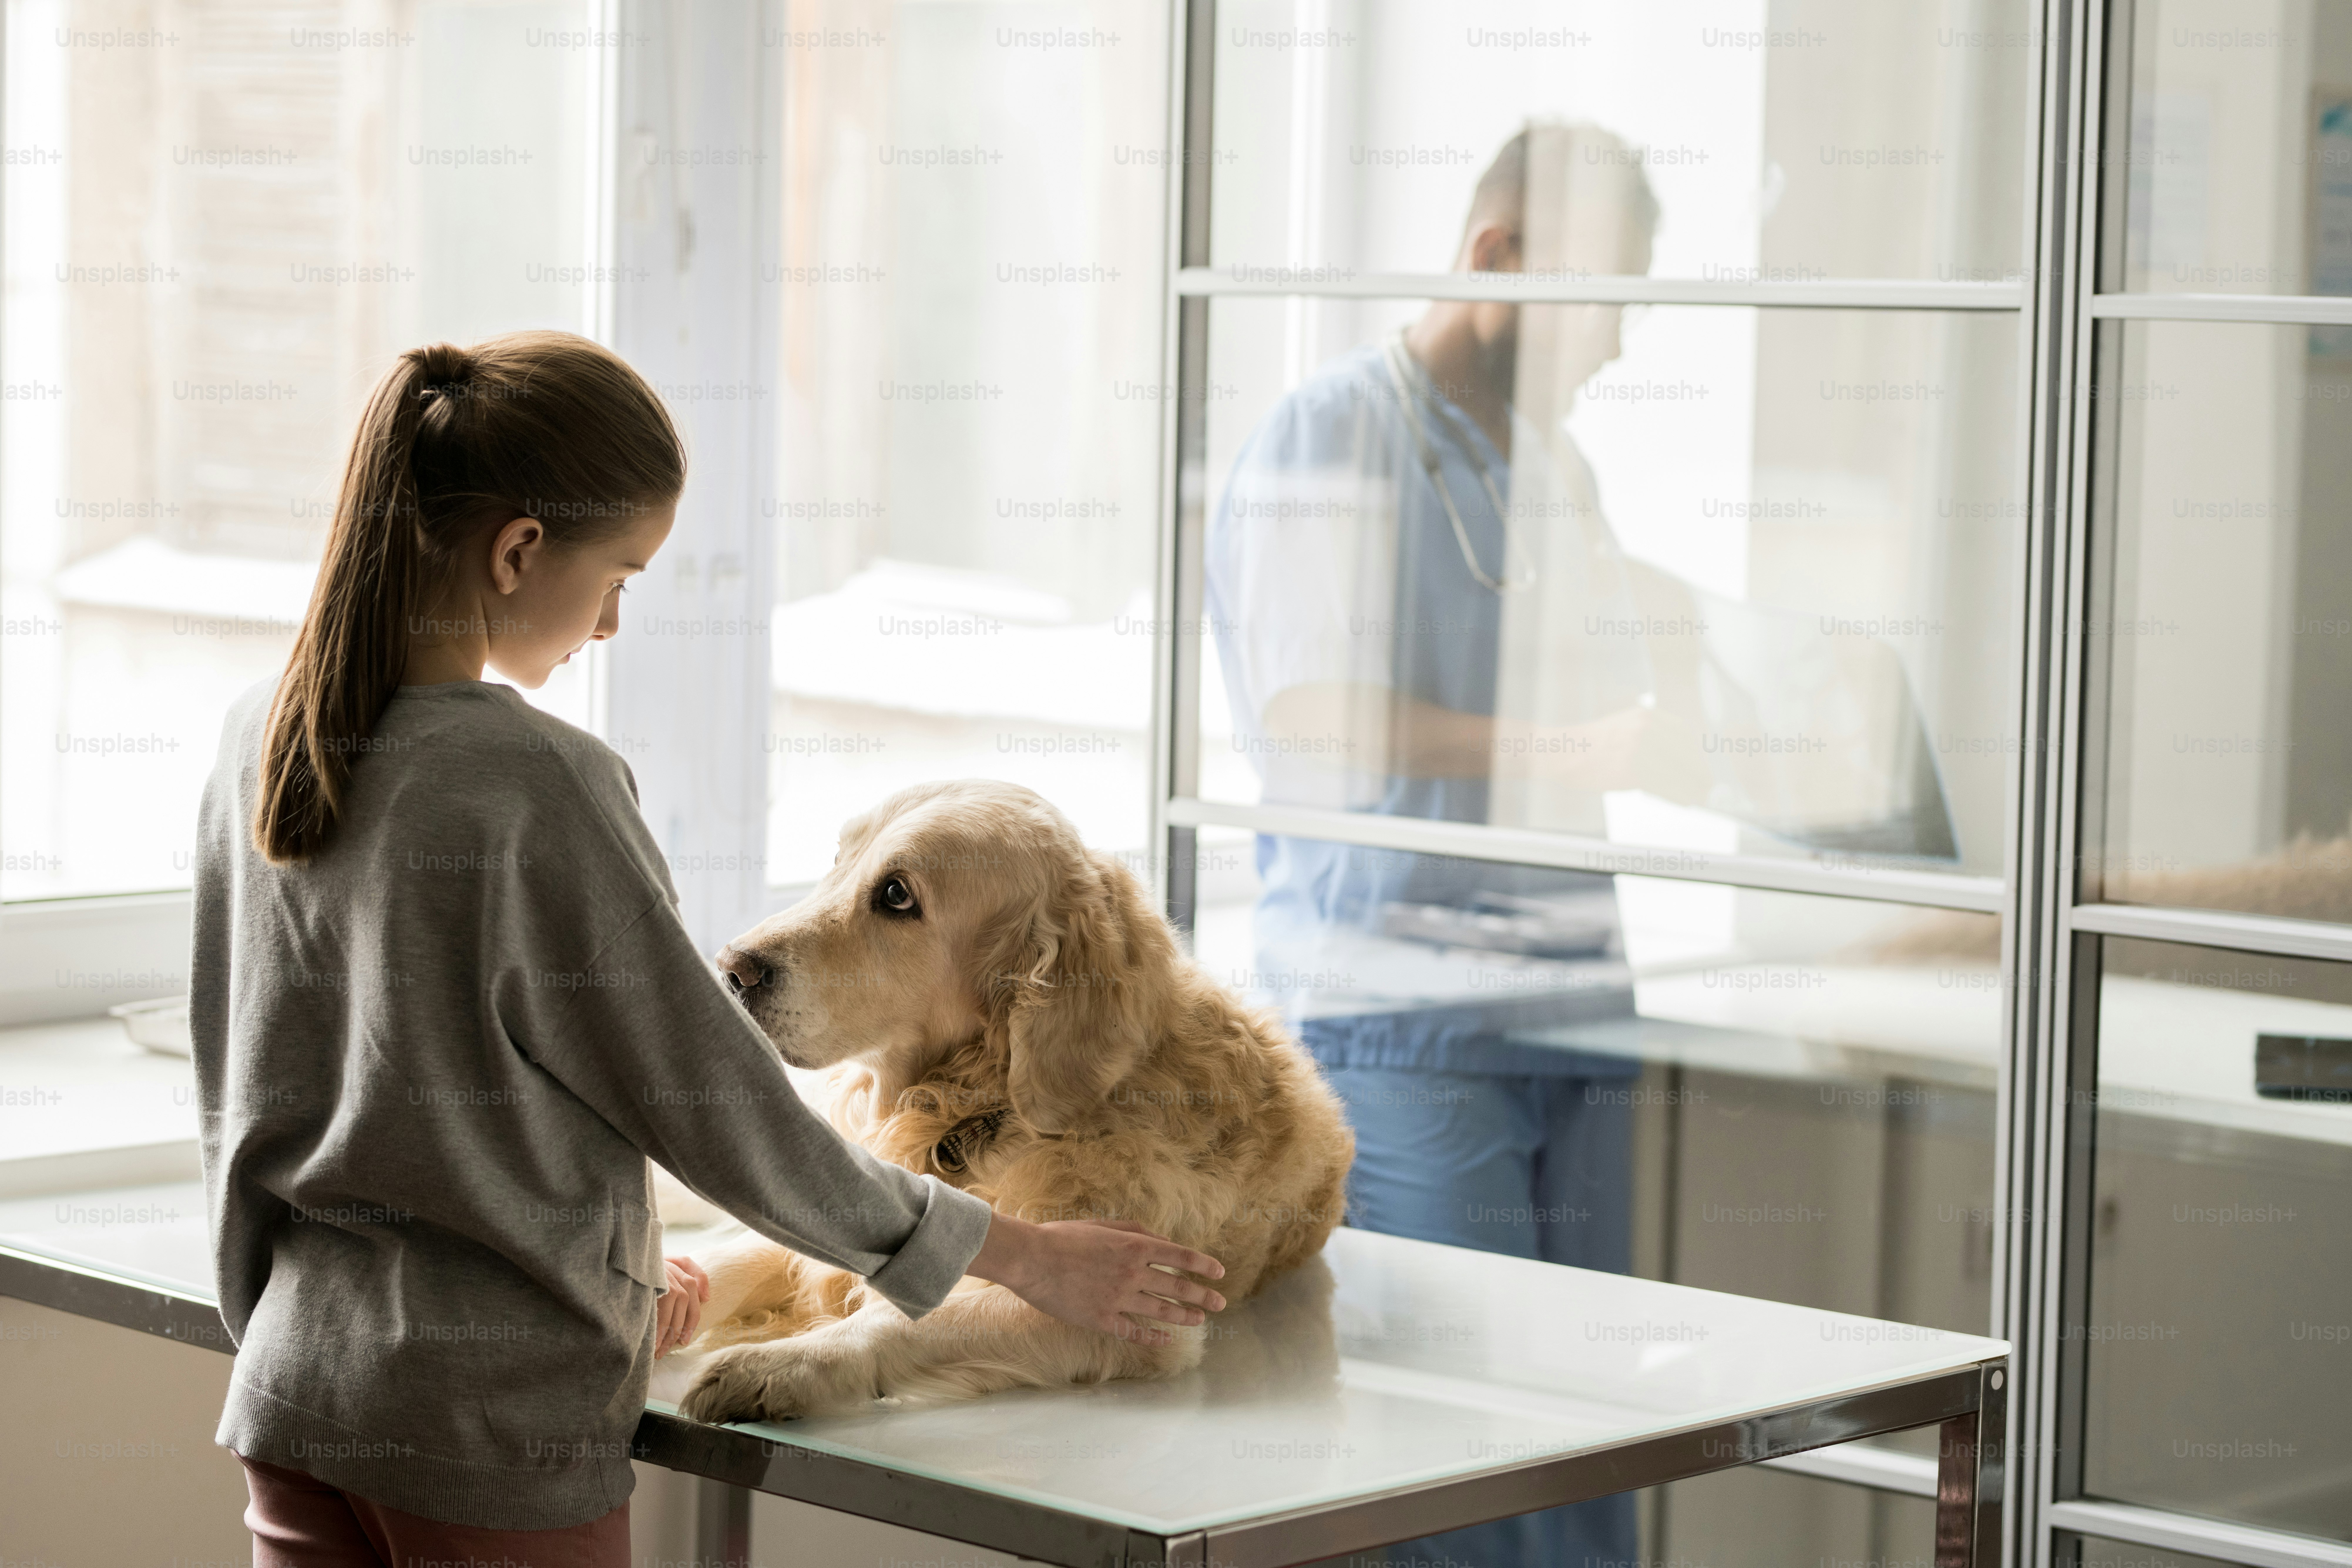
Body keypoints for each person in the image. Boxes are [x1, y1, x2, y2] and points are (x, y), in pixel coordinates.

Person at [193, 331, 1224, 1567]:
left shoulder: (259, 736)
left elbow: (244, 1093)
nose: (615, 620)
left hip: (295, 1394)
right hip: (489, 1430)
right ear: (520, 551)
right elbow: (716, 1107)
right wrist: (1025, 1256)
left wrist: (607, 1282)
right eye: (621, 575)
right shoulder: (540, 784)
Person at [1206, 127, 1664, 1568]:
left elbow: (1614, 682)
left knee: (1597, 1436)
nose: (1619, 345)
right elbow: (1312, 713)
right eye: (1605, 303)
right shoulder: (1333, 431)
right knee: (1455, 1458)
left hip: (1571, 1006)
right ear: (1495, 258)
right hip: (1406, 1020)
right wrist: (1549, 748)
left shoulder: (1552, 465)